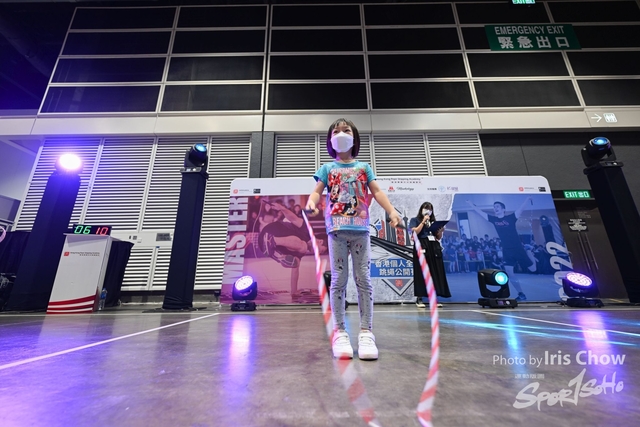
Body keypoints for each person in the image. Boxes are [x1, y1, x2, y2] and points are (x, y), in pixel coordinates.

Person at [306, 118, 401, 361]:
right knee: (339, 280)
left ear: (354, 137)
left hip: (360, 230)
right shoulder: (327, 168)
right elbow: (316, 192)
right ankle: (340, 332)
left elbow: (376, 191)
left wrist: (391, 211)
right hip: (337, 230)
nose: (341, 134)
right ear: (330, 140)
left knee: (363, 280)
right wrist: (311, 203)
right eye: (336, 131)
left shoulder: (363, 167)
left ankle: (366, 332)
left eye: (346, 130)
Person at [466, 197, 535, 301]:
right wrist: (471, 204)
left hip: (518, 249)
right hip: (507, 250)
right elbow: (480, 212)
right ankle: (521, 294)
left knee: (533, 269)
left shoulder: (511, 217)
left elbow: (521, 209)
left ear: (503, 209)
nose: (495, 208)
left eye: (497, 206)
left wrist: (527, 199)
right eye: (494, 207)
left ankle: (528, 250)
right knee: (510, 273)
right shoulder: (494, 220)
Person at [257, 201, 327, 302]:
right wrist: (282, 208)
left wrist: (294, 291)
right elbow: (293, 218)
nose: (318, 253)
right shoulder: (307, 230)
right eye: (321, 250)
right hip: (269, 232)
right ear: (320, 241)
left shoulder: (301, 252)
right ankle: (272, 240)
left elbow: (295, 271)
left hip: (265, 248)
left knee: (295, 262)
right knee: (303, 247)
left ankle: (278, 255)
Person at [409, 202, 451, 309]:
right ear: (421, 209)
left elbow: (438, 237)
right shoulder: (415, 220)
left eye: (430, 209)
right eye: (426, 208)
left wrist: (440, 231)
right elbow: (415, 233)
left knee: (435, 272)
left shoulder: (433, 222)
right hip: (421, 245)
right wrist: (423, 222)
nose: (428, 211)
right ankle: (419, 298)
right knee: (421, 272)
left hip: (433, 246)